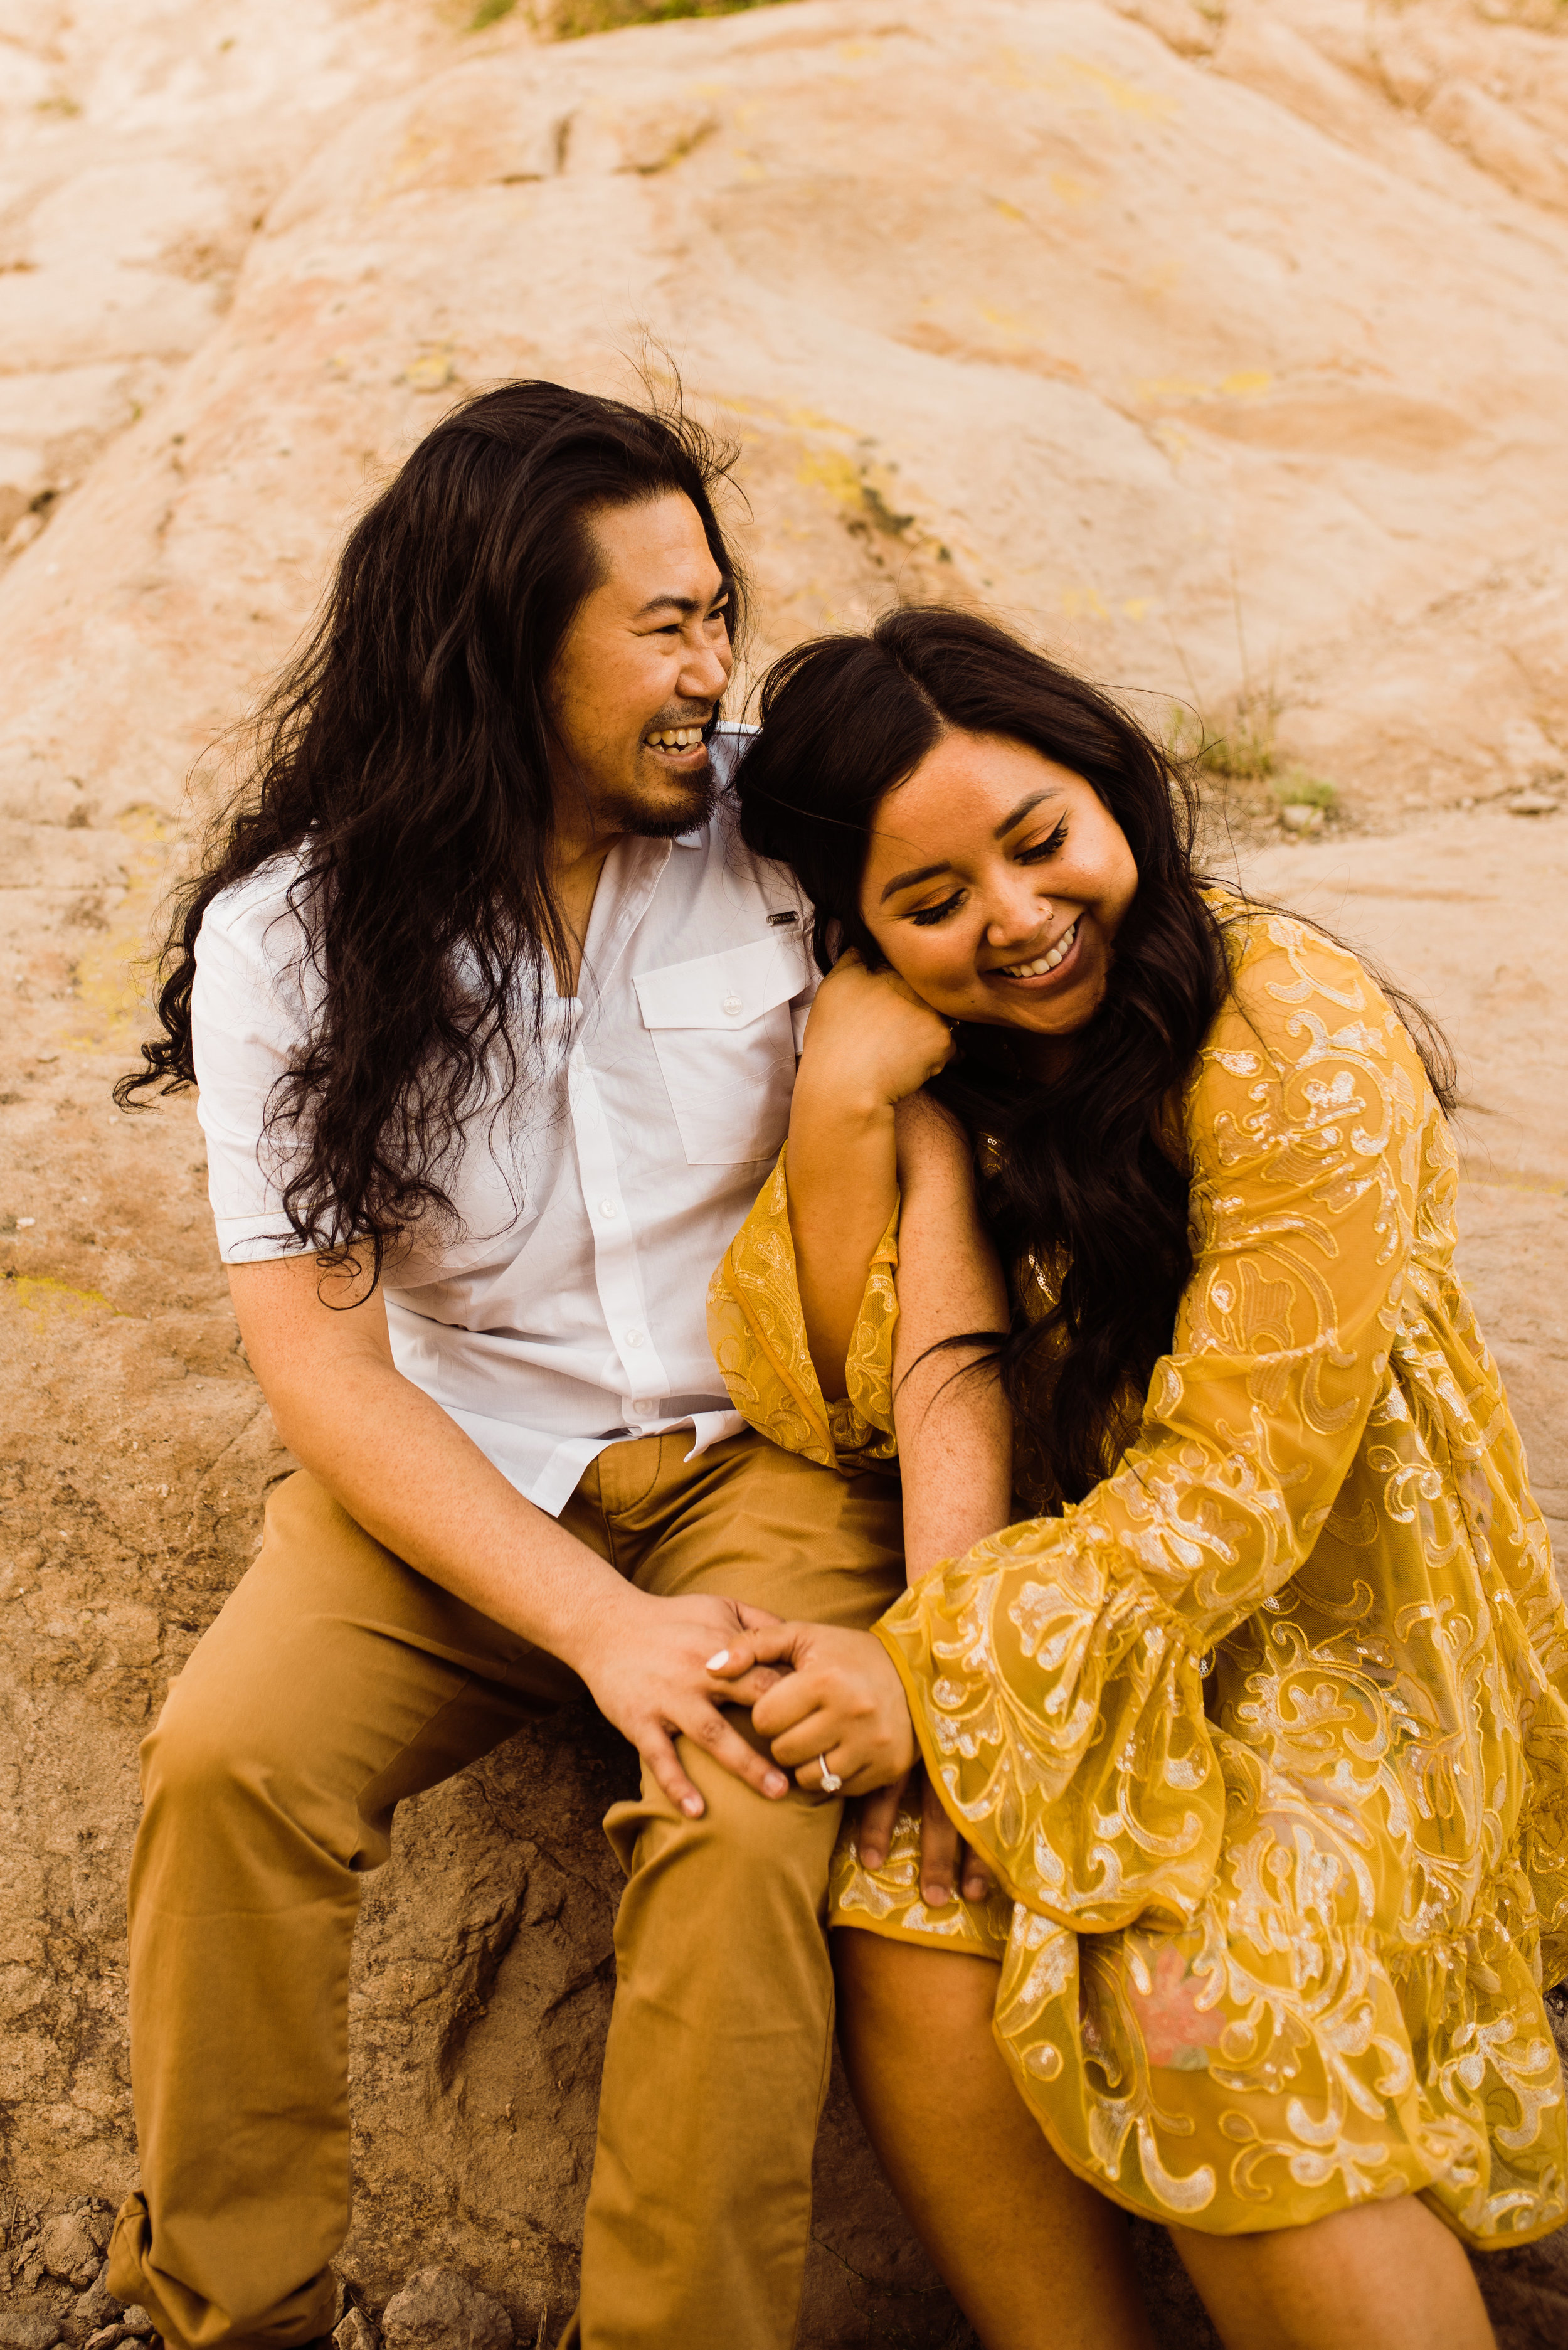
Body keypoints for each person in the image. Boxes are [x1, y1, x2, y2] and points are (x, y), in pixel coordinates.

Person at [107, 383, 910, 2350]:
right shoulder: (290, 929)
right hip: (464, 1456)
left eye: (718, 611)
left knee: (736, 1826)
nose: (711, 668)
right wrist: (597, 1631)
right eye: (662, 623)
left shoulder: (783, 838)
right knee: (229, 1767)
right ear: (499, 642)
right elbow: (317, 1352)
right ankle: (230, 2310)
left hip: (770, 1451)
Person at [704, 606, 1568, 2350]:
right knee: (906, 1910)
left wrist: (928, 1674)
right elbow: (834, 1403)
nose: (1015, 920)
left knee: (1218, 1989)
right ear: (861, 933)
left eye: (1040, 843)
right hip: (1079, 1626)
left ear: (1116, 791)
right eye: (931, 902)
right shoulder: (955, 1075)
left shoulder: (1292, 1031)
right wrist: (844, 1109)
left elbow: (1241, 1497)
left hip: (1340, 1641)